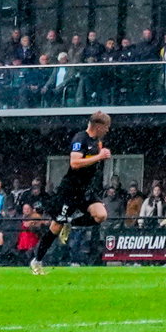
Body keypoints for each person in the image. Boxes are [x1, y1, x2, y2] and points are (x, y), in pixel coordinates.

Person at [46, 113, 113, 271]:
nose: (108, 130)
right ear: (98, 126)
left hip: (86, 189)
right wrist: (99, 157)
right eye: (106, 127)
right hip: (71, 189)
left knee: (101, 215)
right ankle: (38, 260)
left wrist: (101, 156)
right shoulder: (80, 138)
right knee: (56, 226)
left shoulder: (97, 141)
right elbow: (74, 163)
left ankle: (70, 223)